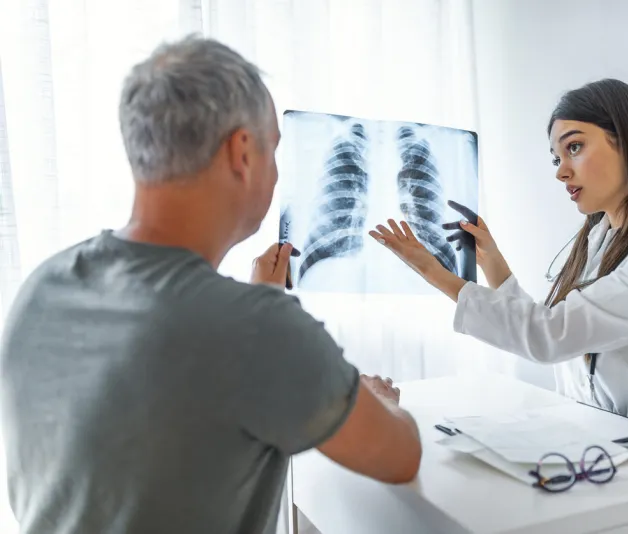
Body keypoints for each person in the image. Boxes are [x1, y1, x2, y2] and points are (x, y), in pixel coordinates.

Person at [0, 36, 421, 534]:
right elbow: (401, 457)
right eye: (273, 149)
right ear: (242, 153)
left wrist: (261, 306)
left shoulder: (44, 286)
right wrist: (379, 402)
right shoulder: (257, 330)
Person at [370, 78, 628, 446]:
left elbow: (552, 334)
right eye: (557, 158)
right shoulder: (600, 237)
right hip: (597, 441)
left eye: (574, 147)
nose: (560, 171)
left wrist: (433, 271)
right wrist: (493, 263)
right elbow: (555, 325)